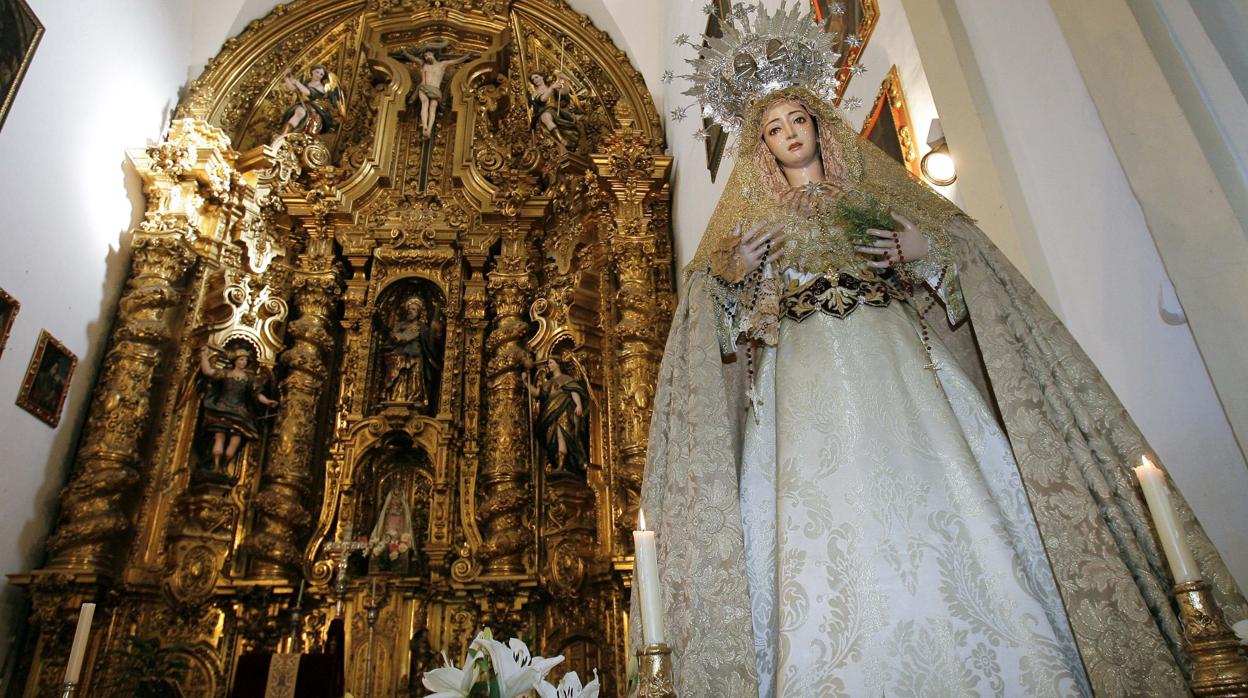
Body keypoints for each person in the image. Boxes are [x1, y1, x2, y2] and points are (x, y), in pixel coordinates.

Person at [637, 3, 1246, 697]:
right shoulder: (753, 227)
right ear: (762, 148)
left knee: (946, 493)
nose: (789, 134)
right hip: (803, 387)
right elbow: (723, 327)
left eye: (797, 119)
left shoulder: (870, 195)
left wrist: (923, 249)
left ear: (818, 124)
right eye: (774, 129)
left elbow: (957, 261)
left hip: (897, 359)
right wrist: (735, 274)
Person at [199, 345, 278, 471]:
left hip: (239, 412)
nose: (244, 362)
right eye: (241, 359)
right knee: (219, 438)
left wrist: (267, 401)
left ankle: (224, 467)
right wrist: (204, 355)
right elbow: (207, 371)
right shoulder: (225, 373)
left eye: (246, 360)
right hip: (224, 410)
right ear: (235, 361)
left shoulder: (249, 378)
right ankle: (216, 466)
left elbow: (257, 394)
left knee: (235, 442)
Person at [524, 358, 590, 475]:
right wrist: (526, 382)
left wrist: (578, 405)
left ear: (558, 364)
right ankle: (558, 462)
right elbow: (538, 393)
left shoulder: (566, 379)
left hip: (563, 411)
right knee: (551, 438)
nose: (548, 365)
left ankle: (562, 464)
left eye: (551, 362)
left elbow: (574, 391)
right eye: (548, 363)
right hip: (549, 415)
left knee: (563, 435)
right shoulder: (548, 383)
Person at [381, 295, 443, 411]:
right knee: (399, 375)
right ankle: (396, 397)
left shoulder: (422, 327)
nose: (411, 311)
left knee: (415, 376)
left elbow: (430, 343)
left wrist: (436, 333)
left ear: (418, 312)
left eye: (413, 309)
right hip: (399, 356)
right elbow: (391, 339)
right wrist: (397, 338)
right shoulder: (400, 325)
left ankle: (414, 398)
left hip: (416, 356)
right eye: (409, 309)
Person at [399, 47, 472, 139]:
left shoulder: (442, 64)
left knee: (433, 107)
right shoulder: (423, 64)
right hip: (424, 87)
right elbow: (414, 59)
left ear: (433, 54)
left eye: (428, 54)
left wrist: (467, 56)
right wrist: (405, 53)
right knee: (424, 103)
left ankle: (429, 129)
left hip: (435, 89)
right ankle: (425, 126)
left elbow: (455, 61)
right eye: (425, 56)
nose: (426, 57)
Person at [280, 64, 345, 136]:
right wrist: (286, 78)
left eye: (321, 74)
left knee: (301, 114)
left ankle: (289, 135)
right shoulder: (306, 82)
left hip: (313, 108)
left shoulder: (321, 87)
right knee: (299, 113)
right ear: (312, 71)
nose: (318, 75)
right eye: (317, 72)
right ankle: (284, 134)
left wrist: (297, 82)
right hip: (302, 105)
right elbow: (293, 89)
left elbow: (308, 93)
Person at [528, 71, 578, 151]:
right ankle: (563, 141)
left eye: (536, 77)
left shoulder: (551, 86)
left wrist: (565, 79)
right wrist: (552, 87)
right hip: (544, 112)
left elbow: (564, 92)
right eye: (533, 80)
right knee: (545, 116)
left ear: (542, 77)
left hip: (556, 111)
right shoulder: (535, 93)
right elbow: (542, 99)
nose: (535, 80)